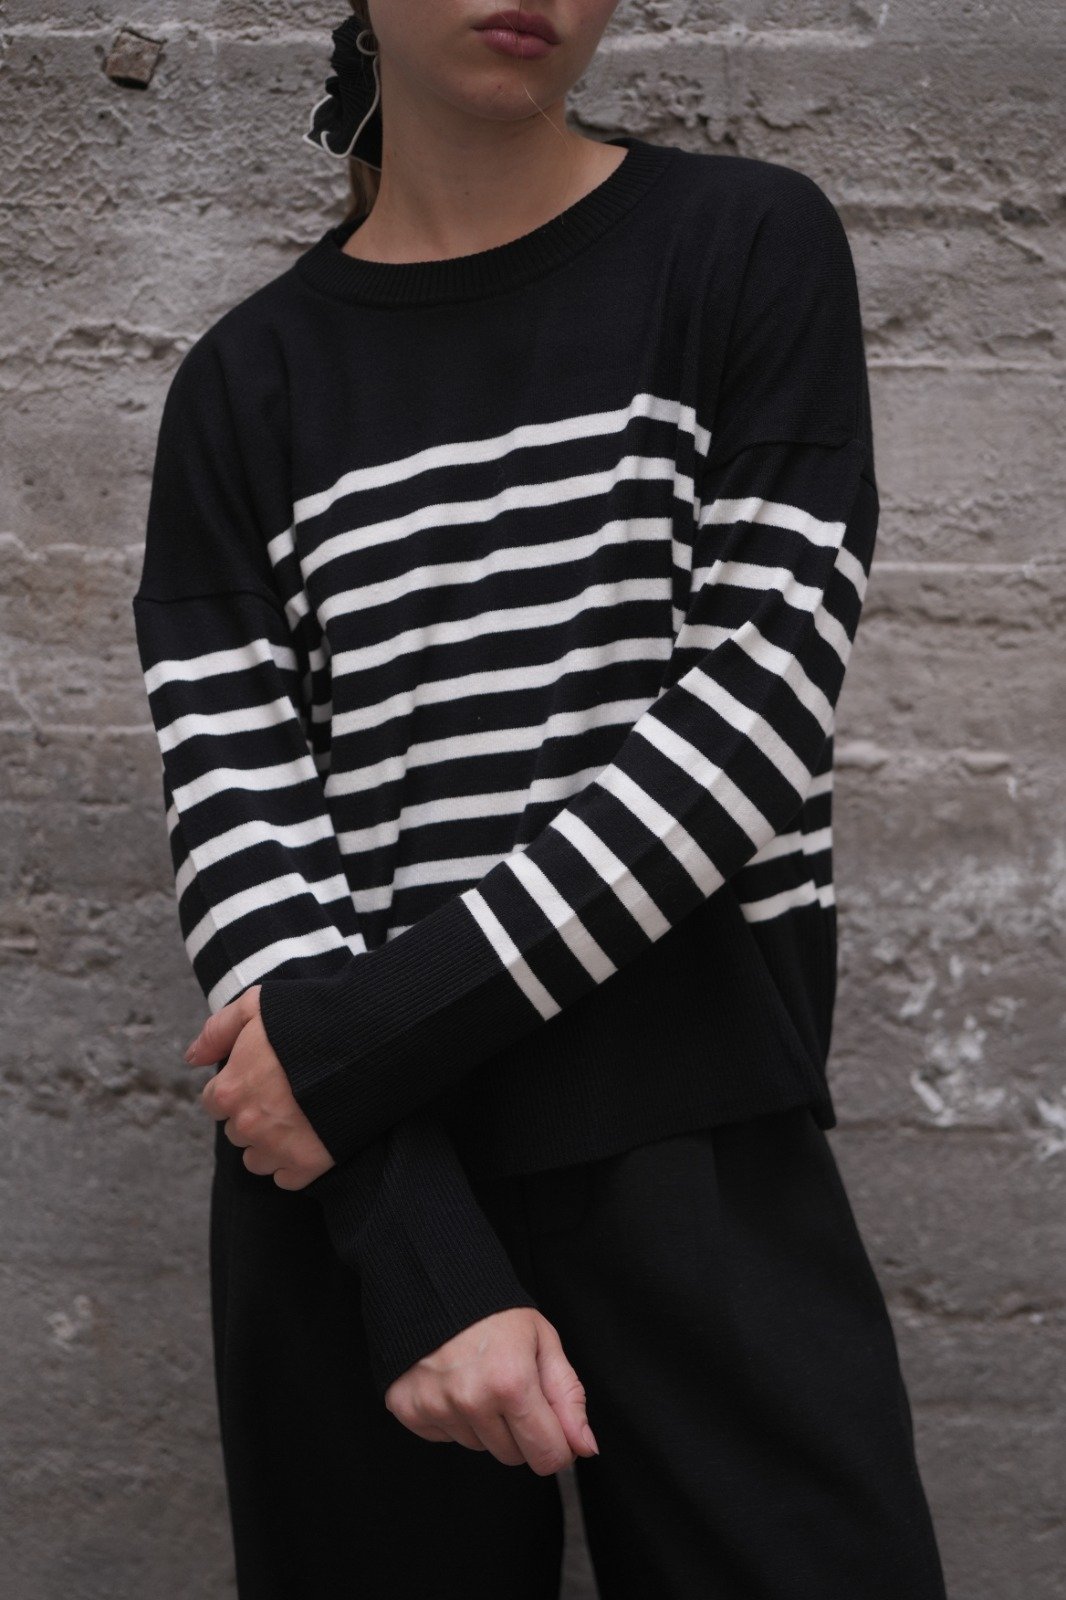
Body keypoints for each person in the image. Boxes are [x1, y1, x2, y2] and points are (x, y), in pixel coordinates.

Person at [133, 3, 951, 1596]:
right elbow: (245, 842)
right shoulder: (242, 386)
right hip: (360, 1191)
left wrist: (354, 1047)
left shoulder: (741, 246)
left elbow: (749, 720)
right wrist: (411, 1243)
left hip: (685, 1131)